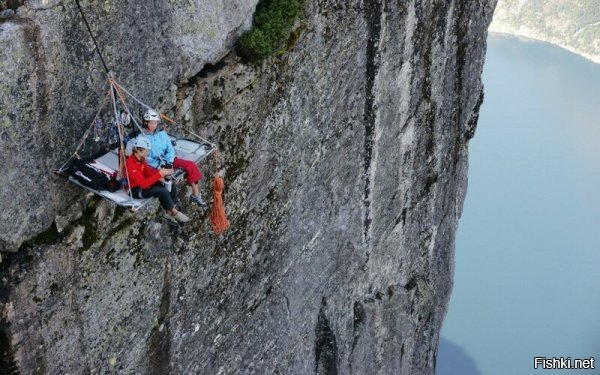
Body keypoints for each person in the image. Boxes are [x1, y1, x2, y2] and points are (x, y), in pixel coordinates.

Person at [138, 109, 207, 207]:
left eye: (155, 123)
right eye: (151, 123)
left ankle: (195, 195)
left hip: (166, 160)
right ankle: (171, 205)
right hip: (153, 165)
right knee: (166, 181)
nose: (153, 125)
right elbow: (143, 158)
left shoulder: (162, 134)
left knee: (190, 165)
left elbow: (170, 150)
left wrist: (169, 162)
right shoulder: (141, 138)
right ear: (146, 123)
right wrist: (160, 166)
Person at [126, 137, 191, 223]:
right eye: (146, 151)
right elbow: (143, 184)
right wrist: (159, 174)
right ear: (139, 151)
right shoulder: (131, 165)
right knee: (162, 191)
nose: (148, 153)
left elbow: (148, 174)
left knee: (170, 184)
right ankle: (175, 212)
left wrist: (161, 178)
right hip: (135, 190)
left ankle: (169, 211)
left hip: (144, 185)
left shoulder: (141, 159)